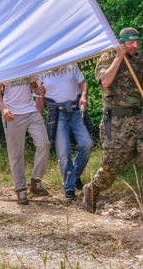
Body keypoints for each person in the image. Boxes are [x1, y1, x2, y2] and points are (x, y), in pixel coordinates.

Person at [83, 28, 143, 213]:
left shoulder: (140, 59)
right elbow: (105, 81)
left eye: (137, 42)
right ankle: (92, 189)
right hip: (116, 120)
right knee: (112, 167)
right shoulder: (108, 57)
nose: (135, 46)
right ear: (122, 43)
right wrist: (118, 58)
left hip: (138, 118)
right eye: (131, 43)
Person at [36, 64, 93, 201]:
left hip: (75, 111)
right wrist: (39, 92)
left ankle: (74, 174)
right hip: (57, 113)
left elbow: (83, 83)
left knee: (87, 144)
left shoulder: (71, 64)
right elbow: (38, 94)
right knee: (64, 152)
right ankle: (69, 188)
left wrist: (83, 96)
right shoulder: (41, 71)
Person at [0, 78, 50, 205]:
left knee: (44, 144)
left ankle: (36, 181)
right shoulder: (3, 69)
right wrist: (3, 110)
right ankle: (20, 190)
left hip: (31, 111)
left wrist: (39, 91)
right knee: (16, 153)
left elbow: (34, 87)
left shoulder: (26, 65)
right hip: (12, 114)